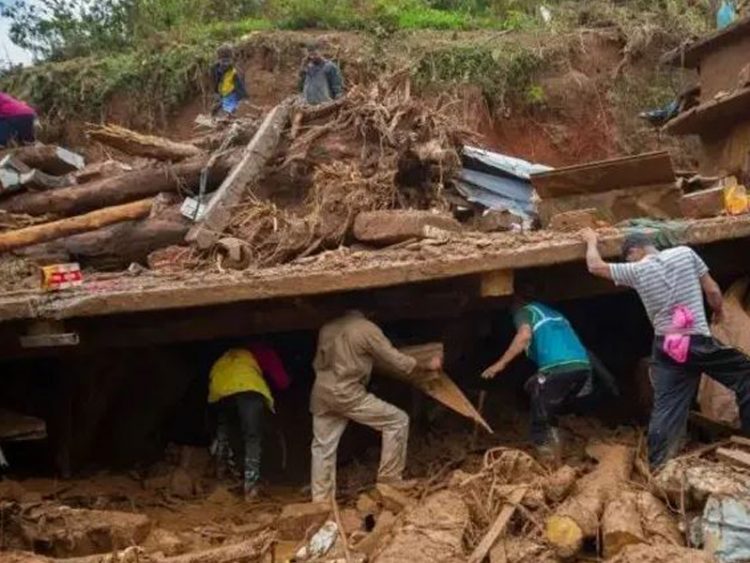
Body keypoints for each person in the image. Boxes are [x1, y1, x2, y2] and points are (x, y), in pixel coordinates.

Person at [582, 228, 750, 469]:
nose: (628, 262)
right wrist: (719, 313)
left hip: (668, 346)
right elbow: (713, 291)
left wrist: (591, 241)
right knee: (744, 374)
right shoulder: (685, 254)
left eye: (627, 257)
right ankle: (747, 441)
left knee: (667, 405)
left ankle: (659, 466)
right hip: (695, 340)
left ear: (635, 250)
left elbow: (594, 266)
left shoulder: (636, 270)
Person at [310, 310, 441, 502]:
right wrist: (427, 365)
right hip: (348, 393)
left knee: (323, 447)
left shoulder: (327, 328)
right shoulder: (366, 328)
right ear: (368, 313)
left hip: (322, 393)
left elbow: (318, 364)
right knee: (397, 421)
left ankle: (320, 501)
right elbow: (396, 360)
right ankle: (389, 480)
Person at [481, 295, 592, 457]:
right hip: (582, 367)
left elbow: (524, 336)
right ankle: (557, 437)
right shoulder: (553, 313)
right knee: (536, 388)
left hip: (559, 367)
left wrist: (500, 364)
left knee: (539, 396)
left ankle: (544, 449)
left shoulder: (524, 311)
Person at [208, 342, 290, 500]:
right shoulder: (263, 350)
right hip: (248, 391)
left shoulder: (227, 355)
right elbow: (282, 381)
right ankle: (250, 488)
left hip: (220, 391)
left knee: (224, 432)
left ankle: (221, 478)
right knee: (252, 437)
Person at [211, 45, 248, 116]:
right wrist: (216, 92)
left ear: (232, 59)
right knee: (215, 110)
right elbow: (216, 81)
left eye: (228, 61)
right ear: (218, 60)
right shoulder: (216, 69)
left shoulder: (234, 72)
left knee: (228, 113)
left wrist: (243, 98)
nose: (225, 64)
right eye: (223, 61)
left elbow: (240, 87)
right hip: (222, 95)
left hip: (232, 96)